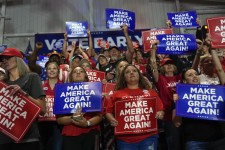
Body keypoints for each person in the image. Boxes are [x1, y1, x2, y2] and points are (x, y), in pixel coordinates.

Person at [106, 64, 164, 150]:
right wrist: (111, 119)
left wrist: (160, 113)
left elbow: (161, 110)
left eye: (134, 71)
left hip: (149, 137)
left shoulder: (151, 92)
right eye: (127, 72)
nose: (131, 73)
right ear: (124, 77)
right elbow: (108, 112)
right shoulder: (116, 94)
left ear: (139, 75)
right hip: (125, 139)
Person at [0, 47, 46, 150]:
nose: (4, 61)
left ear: (18, 59)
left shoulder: (32, 77)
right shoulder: (2, 83)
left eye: (8, 57)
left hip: (27, 138)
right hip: (4, 139)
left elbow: (43, 110)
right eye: (2, 59)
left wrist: (23, 94)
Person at [173, 68, 225, 150]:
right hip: (194, 142)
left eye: (196, 74)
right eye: (190, 75)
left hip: (217, 139)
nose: (194, 76)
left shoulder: (213, 91)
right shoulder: (180, 96)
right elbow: (177, 123)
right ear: (185, 81)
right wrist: (177, 104)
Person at [56, 66, 103, 150]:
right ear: (70, 76)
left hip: (90, 131)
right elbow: (59, 120)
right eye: (75, 72)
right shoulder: (62, 91)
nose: (78, 73)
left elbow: (100, 116)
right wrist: (73, 118)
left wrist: (87, 123)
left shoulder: (94, 90)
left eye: (81, 71)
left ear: (85, 76)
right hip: (70, 133)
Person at [150, 40, 182, 150]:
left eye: (171, 64)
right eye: (166, 64)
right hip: (168, 118)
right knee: (174, 145)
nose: (169, 66)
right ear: (162, 68)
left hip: (183, 114)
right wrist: (153, 50)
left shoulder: (180, 77)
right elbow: (153, 65)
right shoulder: (160, 79)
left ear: (175, 67)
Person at [38, 61, 63, 150]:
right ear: (46, 71)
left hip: (58, 124)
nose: (51, 71)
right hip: (42, 124)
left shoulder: (64, 86)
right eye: (49, 69)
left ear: (58, 71)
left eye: (54, 68)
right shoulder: (40, 85)